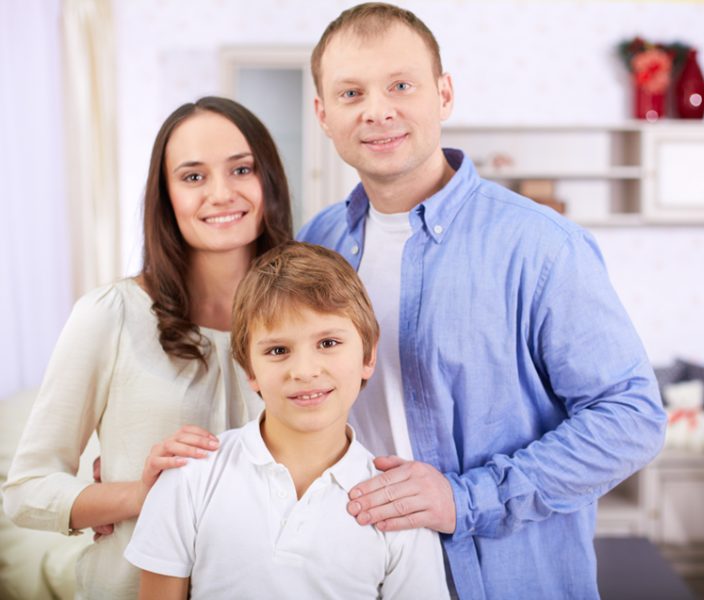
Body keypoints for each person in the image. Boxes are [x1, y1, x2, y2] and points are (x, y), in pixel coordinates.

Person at [298, 4, 667, 599]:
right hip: (359, 575)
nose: (377, 110)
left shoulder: (540, 245)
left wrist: (464, 498)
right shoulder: (318, 244)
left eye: (400, 85)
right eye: (350, 93)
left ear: (443, 94)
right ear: (323, 114)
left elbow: (632, 418)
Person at [2, 96, 293, 599]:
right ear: (166, 196)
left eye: (241, 169)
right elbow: (26, 491)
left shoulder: (305, 321)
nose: (221, 193)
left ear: (268, 179)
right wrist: (138, 494)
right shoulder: (109, 314)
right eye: (193, 177)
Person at [124, 241, 449, 599]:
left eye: (328, 342)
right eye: (278, 351)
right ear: (250, 370)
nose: (305, 371)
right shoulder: (190, 477)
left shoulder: (397, 507)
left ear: (368, 356)